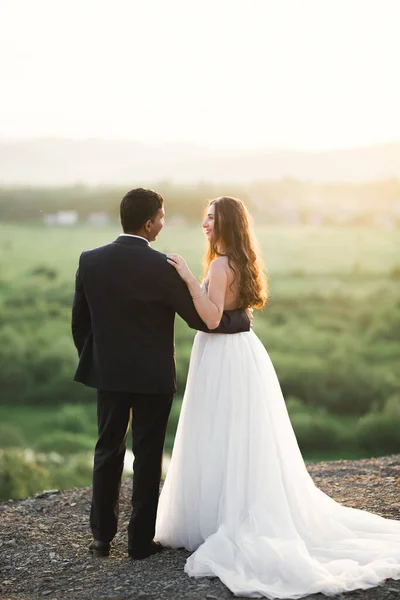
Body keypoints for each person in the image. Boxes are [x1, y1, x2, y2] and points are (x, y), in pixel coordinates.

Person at [155, 196, 400, 599]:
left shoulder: (219, 264)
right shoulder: (242, 260)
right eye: (204, 218)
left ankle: (219, 516)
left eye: (211, 219)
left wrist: (185, 278)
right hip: (243, 353)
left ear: (227, 224)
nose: (204, 225)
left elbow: (213, 318)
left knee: (217, 431)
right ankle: (225, 508)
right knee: (239, 435)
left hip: (221, 357)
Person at [71, 188, 251, 559]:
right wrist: (241, 318)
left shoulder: (90, 261)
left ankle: (102, 539)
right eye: (162, 218)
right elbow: (201, 320)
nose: (164, 224)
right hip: (153, 378)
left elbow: (80, 323)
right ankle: (139, 543)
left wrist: (99, 360)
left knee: (107, 450)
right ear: (149, 223)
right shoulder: (163, 267)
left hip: (109, 375)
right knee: (149, 455)